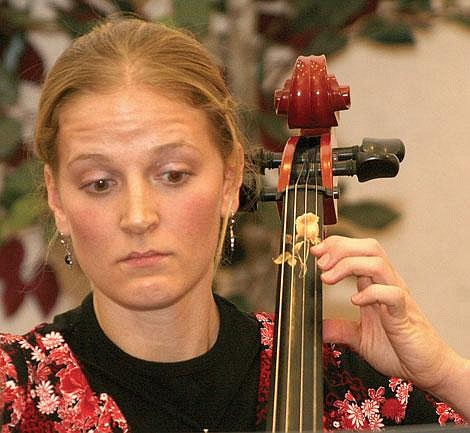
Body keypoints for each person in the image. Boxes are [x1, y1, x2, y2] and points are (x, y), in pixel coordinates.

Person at [0, 16, 468, 432]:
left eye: (173, 175)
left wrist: (445, 374)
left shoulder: (343, 383)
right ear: (58, 199)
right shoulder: (15, 392)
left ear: (229, 181)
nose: (138, 216)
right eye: (100, 183)